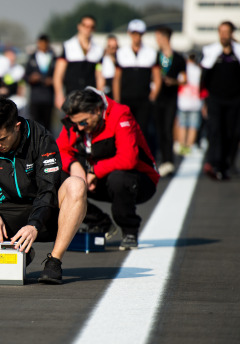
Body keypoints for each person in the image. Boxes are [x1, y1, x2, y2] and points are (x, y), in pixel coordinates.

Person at [0, 97, 87, 284]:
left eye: (2, 139)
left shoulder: (41, 137)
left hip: (49, 210)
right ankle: (20, 249)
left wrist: (34, 225)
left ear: (17, 126)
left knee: (77, 184)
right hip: (11, 209)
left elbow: (48, 188)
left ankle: (54, 262)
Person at [57, 87, 160, 250]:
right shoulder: (75, 119)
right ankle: (100, 222)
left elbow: (128, 159)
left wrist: (95, 171)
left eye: (84, 122)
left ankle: (129, 231)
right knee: (57, 178)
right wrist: (74, 166)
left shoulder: (120, 115)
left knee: (119, 179)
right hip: (95, 179)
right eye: (76, 124)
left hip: (139, 180)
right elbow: (61, 150)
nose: (80, 128)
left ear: (97, 110)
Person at [113, 19, 161, 152]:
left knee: (143, 130)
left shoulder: (151, 53)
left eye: (139, 34)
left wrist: (152, 96)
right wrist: (117, 99)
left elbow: (157, 77)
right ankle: (126, 154)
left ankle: (141, 158)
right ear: (129, 34)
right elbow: (117, 78)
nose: (136, 37)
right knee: (125, 128)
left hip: (143, 99)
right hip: (126, 98)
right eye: (134, 33)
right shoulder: (121, 53)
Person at [200, 21, 240, 181]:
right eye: (221, 32)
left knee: (232, 132)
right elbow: (203, 78)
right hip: (215, 99)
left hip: (235, 100)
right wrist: (203, 100)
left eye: (227, 32)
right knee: (215, 130)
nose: (224, 35)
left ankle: (227, 164)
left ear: (231, 33)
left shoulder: (237, 52)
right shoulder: (211, 52)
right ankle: (214, 163)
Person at [154, 26, 187, 177]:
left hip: (171, 98)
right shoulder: (155, 56)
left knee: (167, 128)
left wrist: (173, 82)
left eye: (158, 37)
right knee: (158, 130)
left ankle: (169, 161)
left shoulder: (179, 58)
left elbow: (184, 79)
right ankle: (162, 160)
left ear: (164, 38)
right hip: (157, 97)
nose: (156, 40)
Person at [53, 15, 104, 110]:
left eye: (91, 27)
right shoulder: (68, 46)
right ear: (79, 26)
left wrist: (101, 94)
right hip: (71, 95)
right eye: (85, 26)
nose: (88, 29)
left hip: (90, 96)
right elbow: (58, 75)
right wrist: (59, 95)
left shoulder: (98, 50)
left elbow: (99, 75)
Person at [24, 34, 56, 130]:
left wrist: (53, 80)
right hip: (35, 96)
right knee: (35, 124)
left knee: (48, 125)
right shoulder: (32, 57)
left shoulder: (53, 57)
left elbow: (59, 76)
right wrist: (32, 78)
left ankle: (47, 144)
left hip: (48, 96)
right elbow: (26, 76)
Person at [176, 53, 203, 156]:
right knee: (193, 126)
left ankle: (182, 145)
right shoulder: (198, 70)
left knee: (182, 124)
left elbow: (180, 82)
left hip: (183, 100)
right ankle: (189, 147)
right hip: (196, 101)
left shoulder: (184, 70)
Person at [101, 35, 118, 99]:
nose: (112, 50)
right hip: (106, 83)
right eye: (110, 47)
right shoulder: (102, 59)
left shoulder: (120, 59)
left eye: (114, 47)